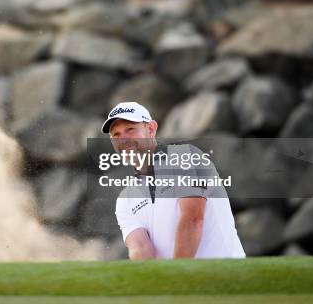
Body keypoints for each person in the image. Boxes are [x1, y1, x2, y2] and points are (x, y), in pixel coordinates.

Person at [101, 101, 246, 260]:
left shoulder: (184, 157)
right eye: (116, 135)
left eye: (130, 129)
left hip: (224, 276)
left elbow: (193, 219)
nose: (123, 139)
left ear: (150, 129)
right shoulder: (125, 199)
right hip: (180, 280)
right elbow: (141, 247)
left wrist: (176, 276)